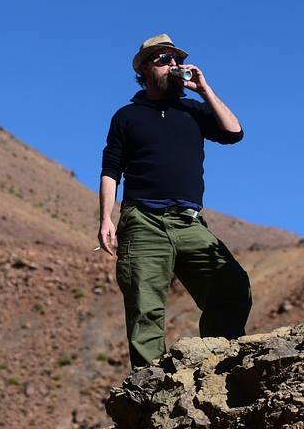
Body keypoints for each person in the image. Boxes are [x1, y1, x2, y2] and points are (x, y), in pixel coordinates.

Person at [98, 33, 252, 368]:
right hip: (143, 221)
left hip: (189, 221)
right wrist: (106, 219)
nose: (172, 65)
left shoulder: (192, 110)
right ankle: (150, 391)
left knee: (232, 286)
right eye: (163, 60)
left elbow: (234, 132)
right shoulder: (127, 116)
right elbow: (111, 169)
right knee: (145, 307)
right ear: (144, 71)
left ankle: (218, 365)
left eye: (175, 60)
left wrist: (205, 89)